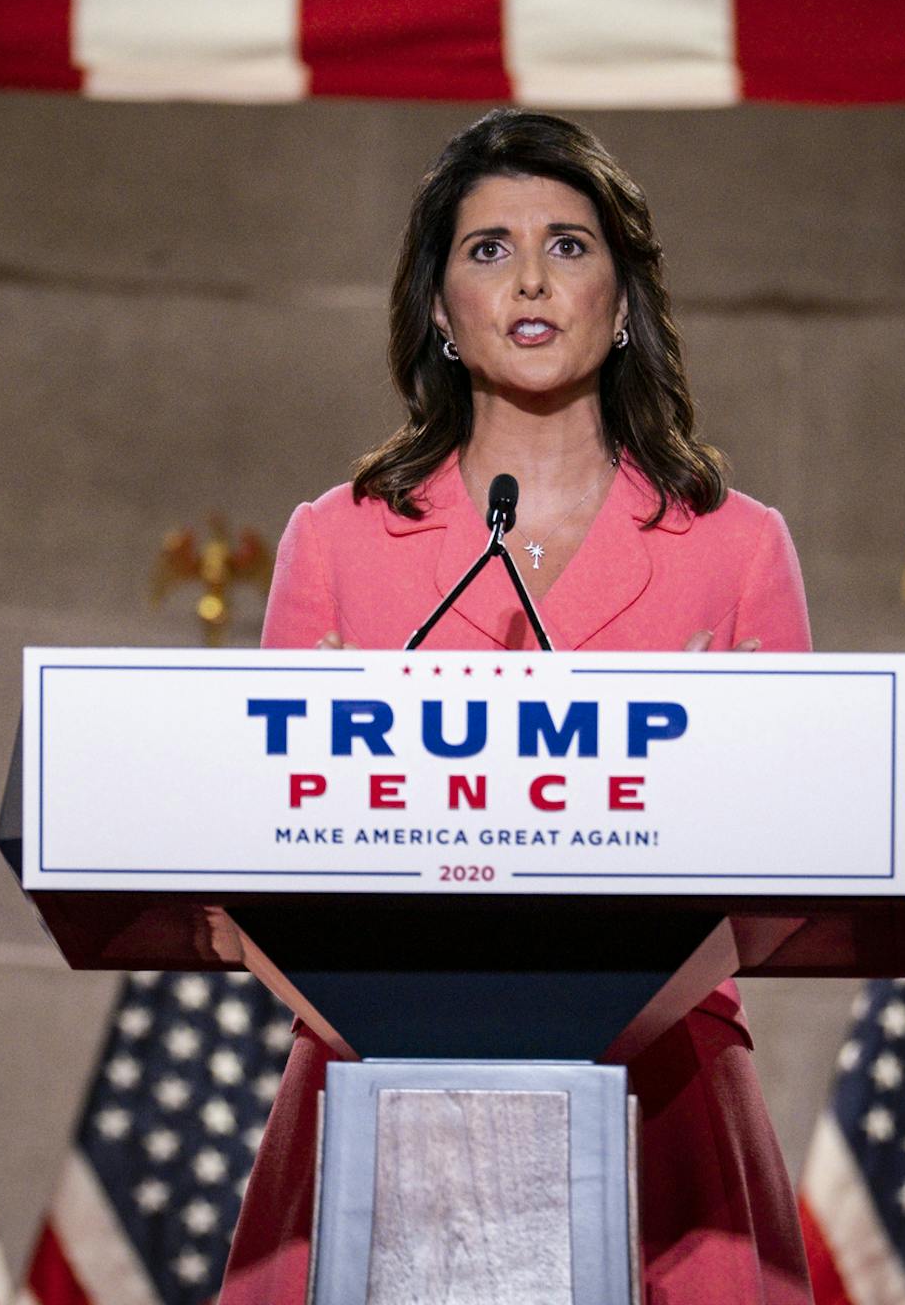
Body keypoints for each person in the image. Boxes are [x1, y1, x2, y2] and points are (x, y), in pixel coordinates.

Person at [218, 108, 815, 1305]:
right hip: (377, 1083)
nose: (532, 276)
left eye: (570, 245)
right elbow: (251, 859)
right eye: (488, 249)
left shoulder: (734, 549)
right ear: (438, 309)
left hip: (665, 1094)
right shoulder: (336, 541)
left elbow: (804, 858)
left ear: (625, 294)